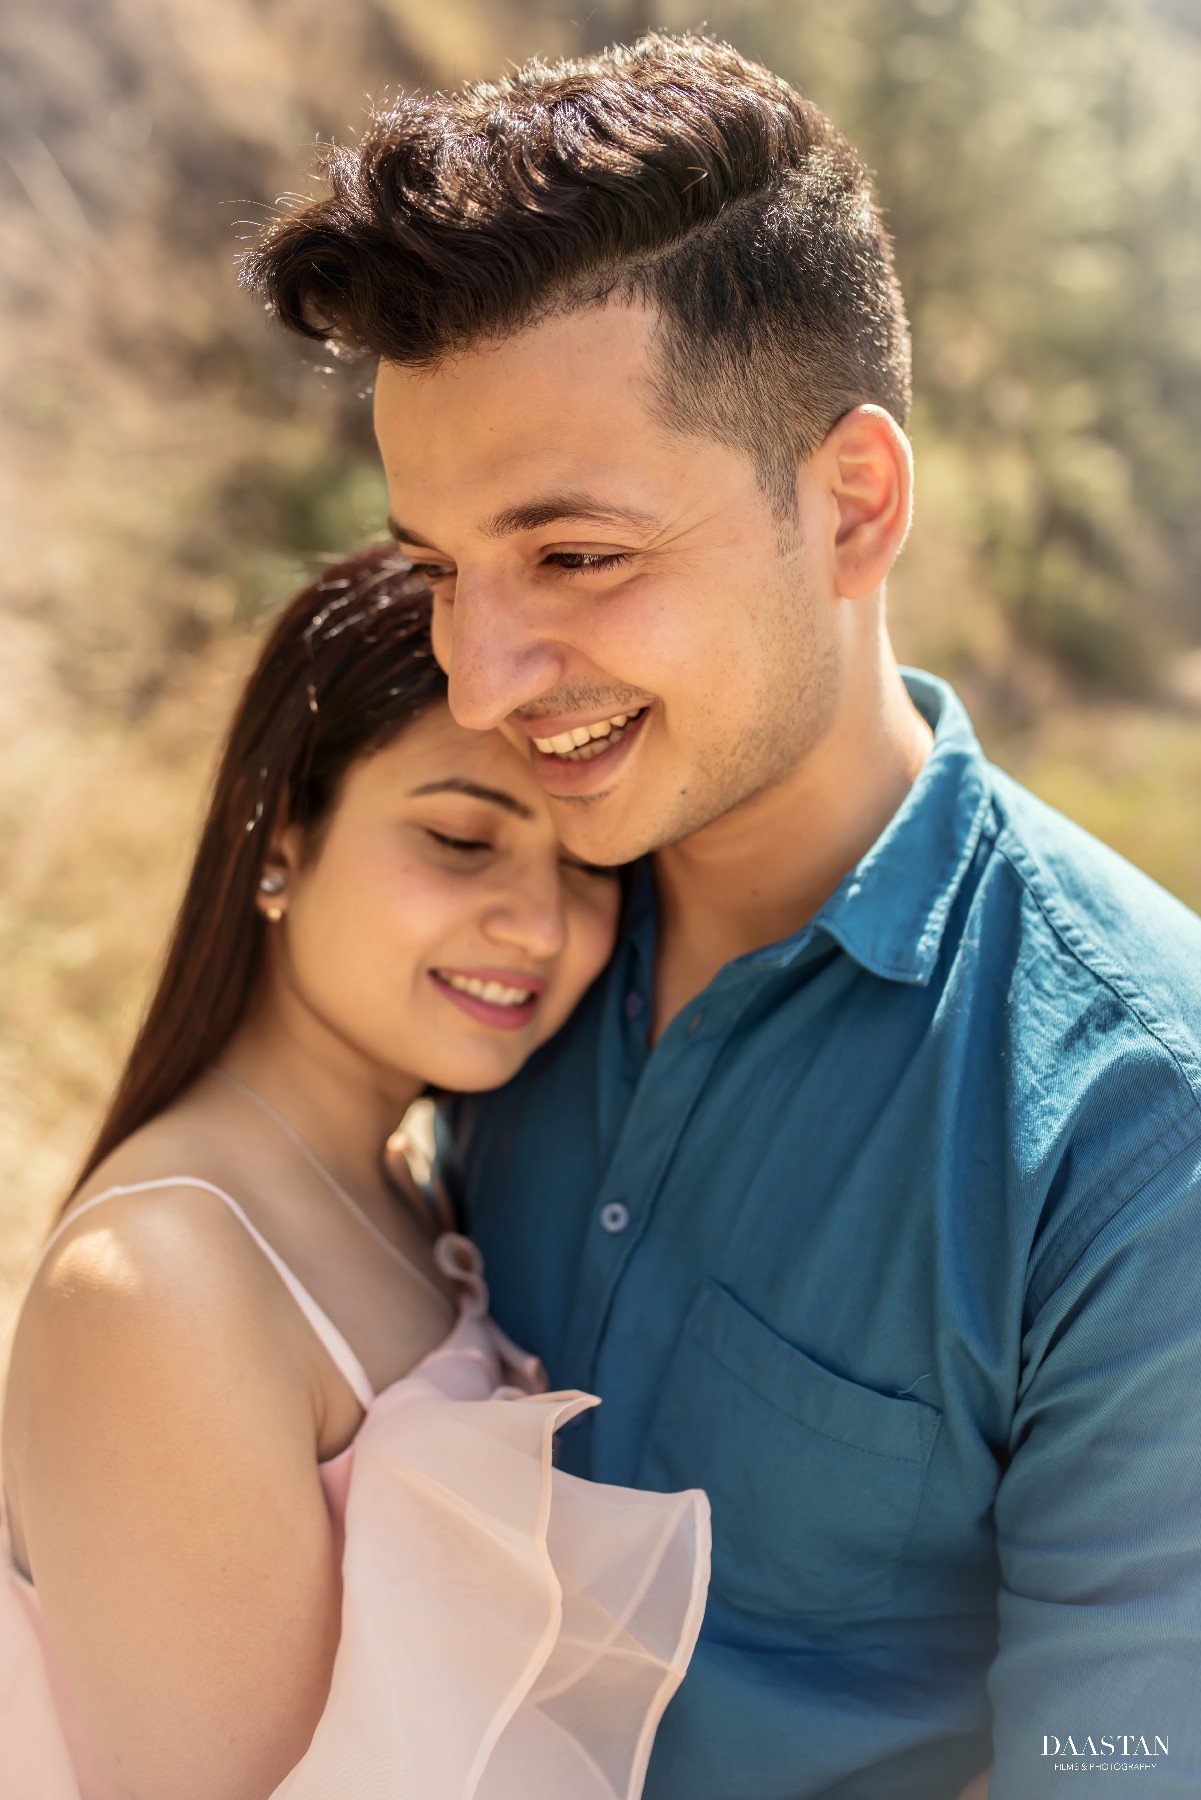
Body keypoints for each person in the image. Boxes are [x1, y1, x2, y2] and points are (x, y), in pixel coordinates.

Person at [243, 28, 1201, 1800]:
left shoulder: (1139, 1127)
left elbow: (1120, 1762)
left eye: (575, 557)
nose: (480, 674)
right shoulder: (495, 941)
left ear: (851, 507)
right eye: (441, 568)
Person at [0, 543, 710, 1800]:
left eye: (588, 865)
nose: (540, 924)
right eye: (459, 838)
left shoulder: (412, 1184)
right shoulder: (159, 1285)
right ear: (282, 834)